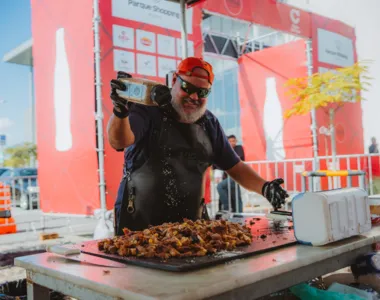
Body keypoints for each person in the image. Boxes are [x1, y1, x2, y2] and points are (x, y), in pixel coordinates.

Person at [107, 56, 288, 235]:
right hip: (138, 226)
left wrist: (265, 188)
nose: (194, 97)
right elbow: (119, 141)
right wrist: (120, 112)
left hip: (191, 228)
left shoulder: (209, 122)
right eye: (188, 88)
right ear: (175, 80)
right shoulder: (147, 109)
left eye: (202, 93)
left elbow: (234, 166)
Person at [217, 135, 245, 212]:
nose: (232, 143)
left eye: (234, 141)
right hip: (228, 177)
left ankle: (227, 208)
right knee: (235, 195)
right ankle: (238, 213)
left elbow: (239, 157)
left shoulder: (238, 148)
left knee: (220, 186)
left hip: (236, 175)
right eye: (230, 141)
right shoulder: (225, 150)